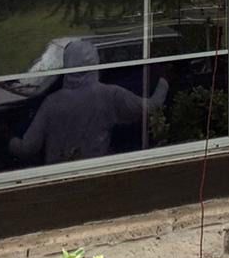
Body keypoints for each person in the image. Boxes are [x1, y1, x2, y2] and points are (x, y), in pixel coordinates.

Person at [9, 39, 168, 165]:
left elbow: (27, 148)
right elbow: (152, 107)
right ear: (95, 62)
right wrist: (164, 80)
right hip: (97, 170)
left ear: (68, 64)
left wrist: (10, 141)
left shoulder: (52, 102)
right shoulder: (110, 95)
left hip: (58, 176)